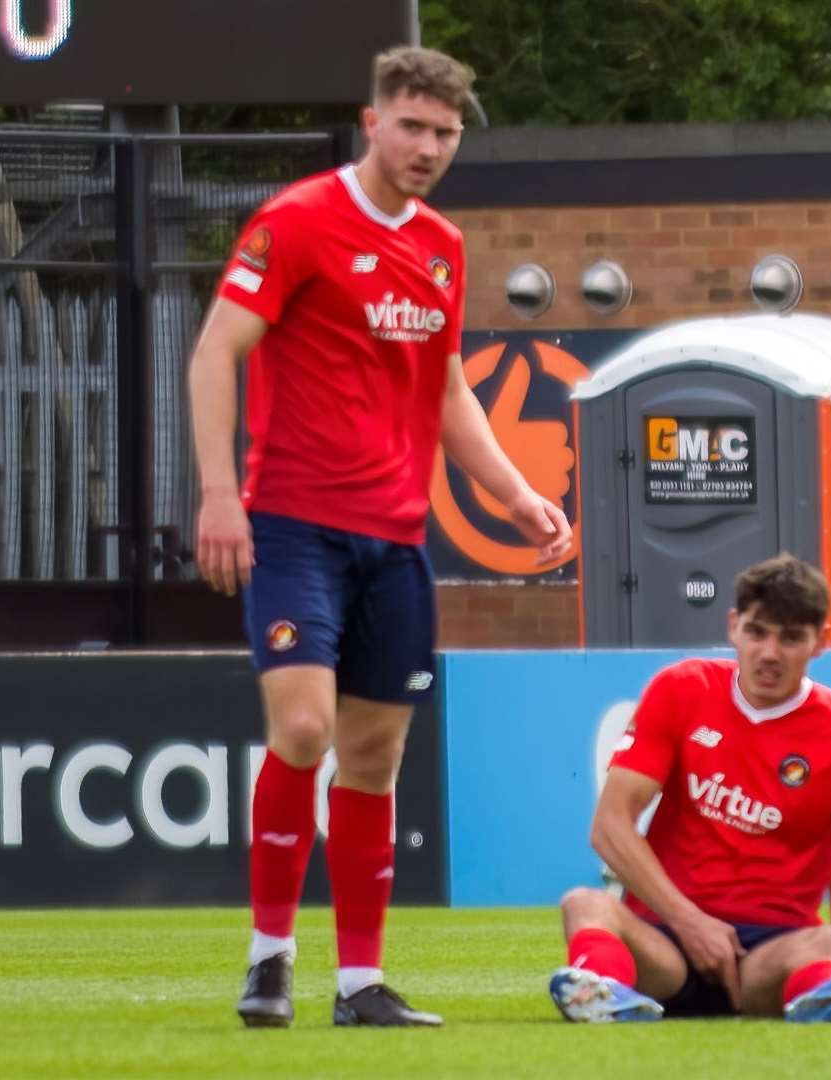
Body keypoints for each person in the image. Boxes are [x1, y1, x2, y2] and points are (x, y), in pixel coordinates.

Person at [187, 46, 572, 1029]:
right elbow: (215, 351)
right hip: (292, 524)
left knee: (372, 756)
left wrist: (516, 494)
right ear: (372, 122)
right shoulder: (298, 220)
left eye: (444, 133)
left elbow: (447, 393)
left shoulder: (442, 244)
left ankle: (359, 983)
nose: (428, 147)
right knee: (304, 729)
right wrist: (219, 494)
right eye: (412, 126)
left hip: (395, 541)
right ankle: (268, 960)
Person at [548, 554, 831, 1023]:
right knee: (585, 905)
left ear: (820, 642)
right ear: (733, 627)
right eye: (758, 632)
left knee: (827, 943)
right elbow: (610, 827)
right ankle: (605, 995)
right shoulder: (681, 690)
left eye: (791, 638)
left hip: (772, 953)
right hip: (666, 943)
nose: (769, 653)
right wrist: (689, 921)